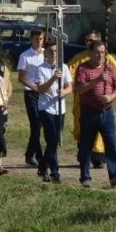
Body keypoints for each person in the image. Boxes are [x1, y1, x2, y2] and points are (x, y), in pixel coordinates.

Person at [69, 30, 116, 169]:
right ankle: (85, 161)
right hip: (83, 103)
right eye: (86, 41)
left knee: (105, 135)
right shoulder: (79, 60)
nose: (88, 43)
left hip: (103, 106)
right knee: (84, 133)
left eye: (91, 40)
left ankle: (99, 158)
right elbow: (69, 77)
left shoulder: (109, 60)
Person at [33, 42, 72, 183]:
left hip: (59, 108)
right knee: (53, 139)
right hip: (46, 108)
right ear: (46, 53)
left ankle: (42, 166)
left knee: (54, 141)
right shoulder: (40, 69)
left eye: (56, 51)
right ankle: (55, 172)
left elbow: (69, 87)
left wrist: (64, 92)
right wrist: (54, 78)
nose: (54, 53)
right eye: (51, 51)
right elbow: (40, 89)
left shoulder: (64, 67)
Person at [17, 29, 47, 168]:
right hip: (31, 93)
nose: (39, 41)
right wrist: (34, 87)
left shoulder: (47, 54)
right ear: (31, 40)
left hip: (44, 93)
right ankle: (39, 156)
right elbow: (21, 78)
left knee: (40, 124)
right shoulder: (25, 56)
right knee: (35, 124)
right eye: (36, 39)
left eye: (41, 39)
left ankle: (29, 154)